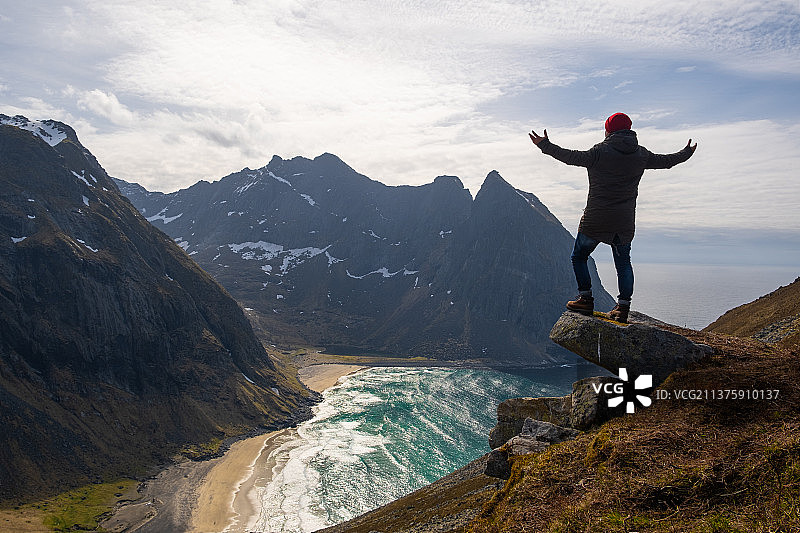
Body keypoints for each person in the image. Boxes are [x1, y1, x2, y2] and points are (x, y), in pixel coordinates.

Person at [529, 112, 697, 323]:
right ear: (629, 130)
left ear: (608, 130)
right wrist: (686, 152)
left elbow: (570, 157)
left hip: (595, 219)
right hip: (623, 222)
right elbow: (667, 161)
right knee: (623, 262)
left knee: (579, 256)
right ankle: (623, 308)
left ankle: (585, 299)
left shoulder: (599, 152)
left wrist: (545, 145)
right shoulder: (641, 154)